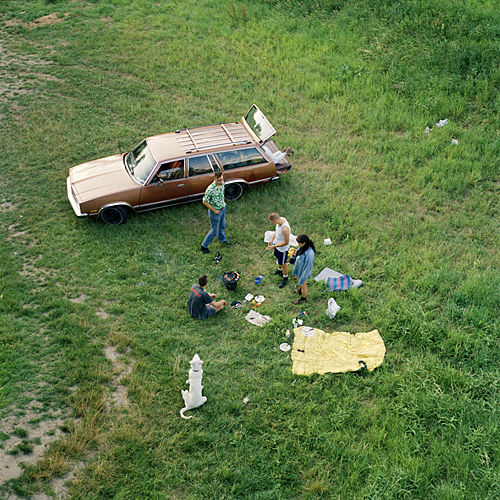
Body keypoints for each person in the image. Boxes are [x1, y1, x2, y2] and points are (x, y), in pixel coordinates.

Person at [200, 171, 232, 254]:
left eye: (222, 179)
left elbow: (222, 194)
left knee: (222, 226)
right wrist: (214, 210)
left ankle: (222, 240)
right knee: (214, 231)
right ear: (214, 179)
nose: (221, 182)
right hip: (215, 213)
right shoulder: (210, 189)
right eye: (219, 180)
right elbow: (205, 201)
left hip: (222, 209)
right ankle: (204, 246)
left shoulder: (222, 184)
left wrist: (223, 203)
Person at [267, 213, 291, 288]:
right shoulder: (280, 221)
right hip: (277, 246)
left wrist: (275, 246)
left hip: (282, 249)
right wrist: (271, 239)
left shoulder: (285, 229)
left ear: (275, 220)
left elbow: (286, 242)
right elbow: (276, 232)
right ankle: (279, 270)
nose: (272, 223)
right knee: (277, 258)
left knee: (284, 264)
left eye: (272, 222)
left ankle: (285, 277)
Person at [291, 234, 315, 305]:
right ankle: (300, 290)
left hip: (303, 272)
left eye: (299, 243)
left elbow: (307, 267)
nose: (298, 244)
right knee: (298, 280)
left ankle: (303, 298)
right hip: (298, 269)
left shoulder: (310, 254)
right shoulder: (304, 247)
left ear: (304, 243)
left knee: (303, 285)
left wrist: (303, 277)